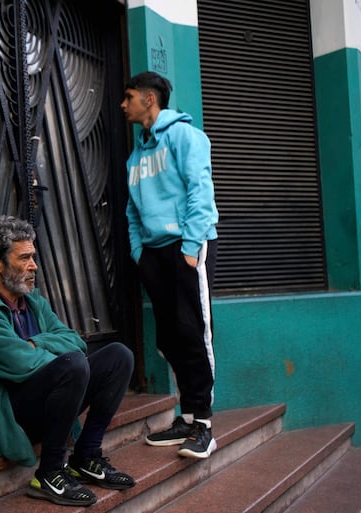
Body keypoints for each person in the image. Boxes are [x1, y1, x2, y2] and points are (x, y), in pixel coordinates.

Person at [0, 215, 136, 507]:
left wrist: (35, 343)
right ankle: (50, 472)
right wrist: (48, 353)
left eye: (34, 257)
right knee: (73, 365)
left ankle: (87, 456)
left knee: (119, 356)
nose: (34, 266)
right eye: (24, 258)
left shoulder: (33, 300)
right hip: (8, 413)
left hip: (47, 404)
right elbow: (20, 363)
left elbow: (75, 340)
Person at [120, 71, 219, 459]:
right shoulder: (137, 154)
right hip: (153, 254)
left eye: (128, 97)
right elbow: (131, 209)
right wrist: (138, 253)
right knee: (169, 338)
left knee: (194, 332)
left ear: (149, 99)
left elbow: (200, 190)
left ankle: (204, 426)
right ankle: (187, 414)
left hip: (185, 246)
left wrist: (192, 246)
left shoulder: (185, 136)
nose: (123, 104)